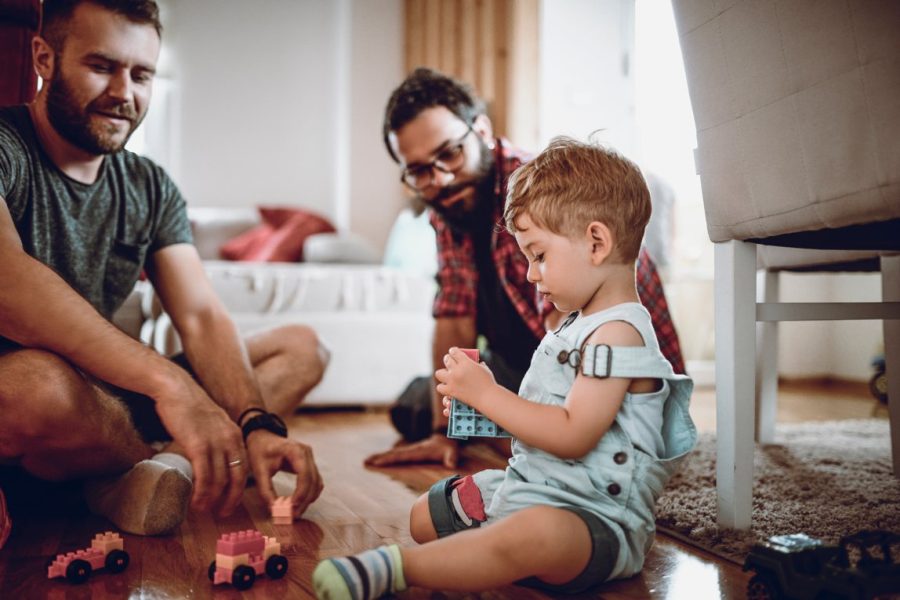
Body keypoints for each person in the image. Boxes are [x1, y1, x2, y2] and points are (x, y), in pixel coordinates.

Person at [314, 137, 697, 598]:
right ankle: (488, 550)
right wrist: (480, 401)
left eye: (538, 256)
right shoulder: (576, 323)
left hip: (595, 521)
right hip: (538, 486)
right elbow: (542, 428)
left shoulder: (619, 333)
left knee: (534, 534)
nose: (533, 274)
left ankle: (399, 570)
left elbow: (574, 433)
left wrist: (488, 396)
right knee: (426, 514)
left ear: (596, 242)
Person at [0, 0, 327, 537]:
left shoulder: (149, 184)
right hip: (36, 398)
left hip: (110, 396)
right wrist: (175, 389)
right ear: (44, 57)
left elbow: (199, 315)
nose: (124, 93)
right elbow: (8, 284)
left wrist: (257, 422)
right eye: (102, 66)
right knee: (39, 387)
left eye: (142, 74)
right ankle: (159, 463)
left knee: (300, 347)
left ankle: (152, 470)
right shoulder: (7, 147)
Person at [365, 67, 685, 469]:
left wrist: (509, 418)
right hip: (527, 356)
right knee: (417, 406)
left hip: (585, 359)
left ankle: (515, 431)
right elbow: (454, 316)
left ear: (480, 130)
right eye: (420, 171)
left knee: (520, 420)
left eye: (449, 153)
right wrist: (443, 429)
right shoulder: (448, 207)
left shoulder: (537, 196)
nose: (441, 178)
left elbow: (568, 331)